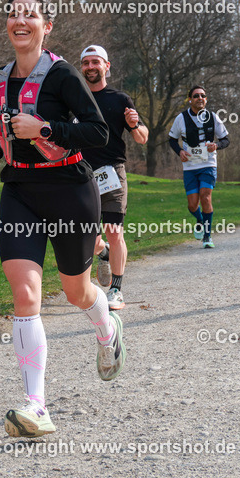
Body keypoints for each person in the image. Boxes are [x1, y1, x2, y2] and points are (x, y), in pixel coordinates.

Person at [0, 0, 126, 439]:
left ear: (47, 26)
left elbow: (97, 132)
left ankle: (107, 328)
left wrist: (44, 127)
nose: (20, 21)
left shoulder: (62, 75)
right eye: (13, 14)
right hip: (19, 191)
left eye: (30, 15)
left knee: (76, 292)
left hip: (69, 191)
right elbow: (5, 126)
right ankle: (36, 406)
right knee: (25, 295)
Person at [79, 45, 149, 310]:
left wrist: (133, 124)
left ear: (106, 66)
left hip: (112, 173)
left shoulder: (120, 99)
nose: (90, 67)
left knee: (114, 231)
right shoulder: (75, 99)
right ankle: (104, 252)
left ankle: (116, 290)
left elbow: (142, 137)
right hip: (80, 174)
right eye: (85, 63)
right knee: (89, 237)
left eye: (95, 62)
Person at [168, 85, 229, 249]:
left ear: (206, 99)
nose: (200, 98)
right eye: (196, 96)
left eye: (203, 95)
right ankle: (200, 220)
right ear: (190, 100)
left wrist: (216, 145)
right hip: (189, 166)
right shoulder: (181, 118)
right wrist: (180, 151)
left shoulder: (213, 117)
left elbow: (226, 140)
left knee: (205, 196)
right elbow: (172, 139)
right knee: (192, 205)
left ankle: (207, 236)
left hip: (208, 163)